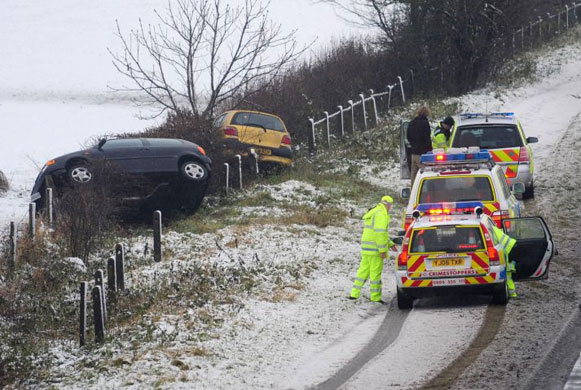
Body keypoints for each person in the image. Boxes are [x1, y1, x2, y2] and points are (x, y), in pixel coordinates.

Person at [350, 195, 398, 303]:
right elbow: (380, 233)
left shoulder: (374, 211)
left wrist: (390, 244)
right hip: (375, 249)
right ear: (388, 205)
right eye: (390, 206)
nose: (390, 208)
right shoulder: (381, 214)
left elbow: (381, 233)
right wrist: (382, 250)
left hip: (367, 248)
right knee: (375, 274)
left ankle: (354, 294)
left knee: (362, 272)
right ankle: (375, 297)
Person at [490, 223, 518, 298]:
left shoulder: (486, 229)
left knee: (507, 274)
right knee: (508, 273)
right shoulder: (490, 225)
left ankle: (512, 293)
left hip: (507, 250)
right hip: (512, 245)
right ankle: (512, 293)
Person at [407, 106, 432, 186]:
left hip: (413, 152)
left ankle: (413, 193)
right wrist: (429, 151)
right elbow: (427, 138)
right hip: (422, 154)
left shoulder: (412, 122)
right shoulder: (425, 123)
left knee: (413, 175)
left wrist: (413, 144)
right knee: (425, 175)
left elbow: (408, 136)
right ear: (427, 114)